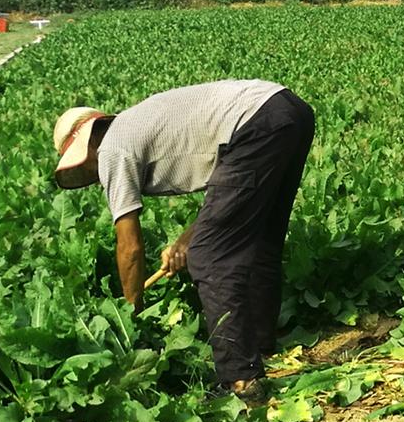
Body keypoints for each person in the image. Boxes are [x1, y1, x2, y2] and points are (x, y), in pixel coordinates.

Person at [52, 80, 315, 400]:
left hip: (256, 124)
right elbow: (229, 193)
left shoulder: (111, 149)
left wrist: (130, 314)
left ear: (88, 142)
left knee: (209, 258)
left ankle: (240, 381)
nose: (91, 173)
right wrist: (186, 240)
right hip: (286, 111)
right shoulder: (137, 126)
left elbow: (130, 247)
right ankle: (260, 347)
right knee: (258, 240)